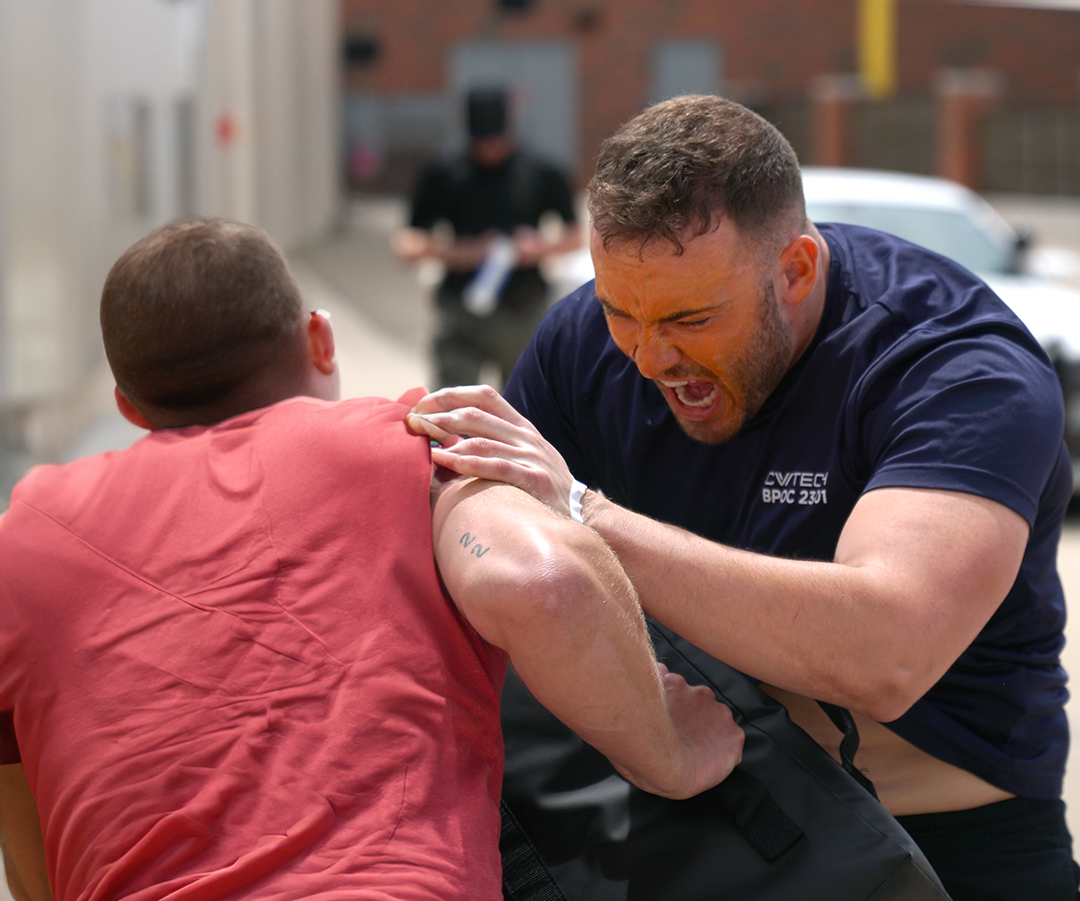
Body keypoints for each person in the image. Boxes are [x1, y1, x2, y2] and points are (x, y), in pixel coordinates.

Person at [414, 95, 1080, 900]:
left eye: (692, 318)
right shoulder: (584, 343)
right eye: (620, 310)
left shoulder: (955, 368)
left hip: (950, 839)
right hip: (702, 807)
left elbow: (887, 652)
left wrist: (583, 513)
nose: (651, 356)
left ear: (796, 270)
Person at [0, 220, 741, 901]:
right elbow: (540, 583)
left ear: (130, 407)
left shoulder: (26, 536)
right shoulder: (410, 444)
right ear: (321, 341)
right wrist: (671, 750)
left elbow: (27, 829)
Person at [392, 87, 583, 388]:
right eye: (482, 140)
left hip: (523, 307)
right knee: (454, 407)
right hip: (461, 309)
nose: (490, 148)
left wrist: (539, 248)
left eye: (496, 138)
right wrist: (461, 252)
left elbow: (576, 237)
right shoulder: (443, 175)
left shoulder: (542, 173)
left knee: (524, 406)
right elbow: (407, 243)